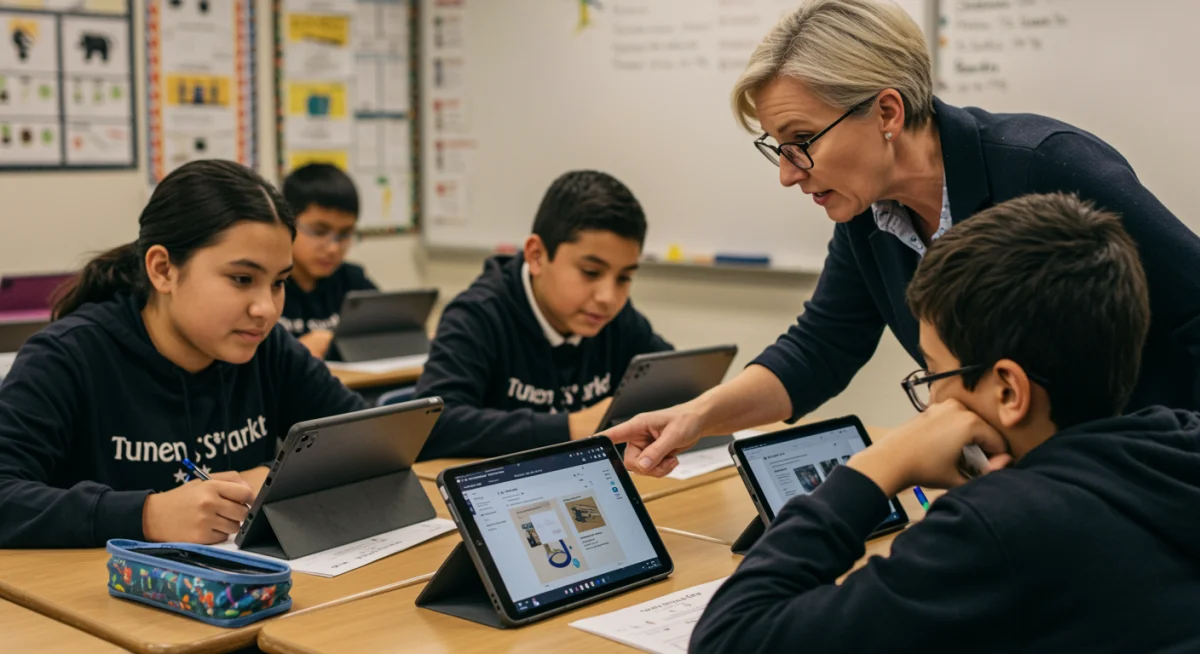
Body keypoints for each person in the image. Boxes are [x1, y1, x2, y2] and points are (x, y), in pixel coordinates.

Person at [607, 0, 1200, 476]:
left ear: (887, 112)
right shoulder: (869, 214)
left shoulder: (1045, 166)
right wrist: (696, 415)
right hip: (1036, 486)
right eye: (776, 150)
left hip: (1145, 479)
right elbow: (821, 348)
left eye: (801, 141)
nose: (788, 173)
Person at [690, 193, 1200, 652]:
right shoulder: (1176, 445)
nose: (933, 398)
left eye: (934, 371)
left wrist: (874, 468)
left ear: (1008, 390)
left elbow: (729, 637)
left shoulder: (999, 528)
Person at [0, 160, 367, 548]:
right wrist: (146, 515)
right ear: (163, 270)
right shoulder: (69, 356)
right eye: (242, 279)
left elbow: (364, 443)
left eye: (278, 282)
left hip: (237, 591)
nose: (266, 308)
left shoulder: (266, 347)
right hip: (93, 596)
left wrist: (274, 475)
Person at [414, 170, 671, 459]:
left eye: (624, 278)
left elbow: (677, 386)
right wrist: (571, 427)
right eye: (590, 272)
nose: (608, 297)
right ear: (536, 256)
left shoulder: (617, 319)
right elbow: (431, 427)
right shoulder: (477, 316)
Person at [279, 163, 377, 360]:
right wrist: (294, 353)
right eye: (319, 231)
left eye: (345, 234)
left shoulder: (353, 283)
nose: (333, 248)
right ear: (286, 224)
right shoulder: (265, 286)